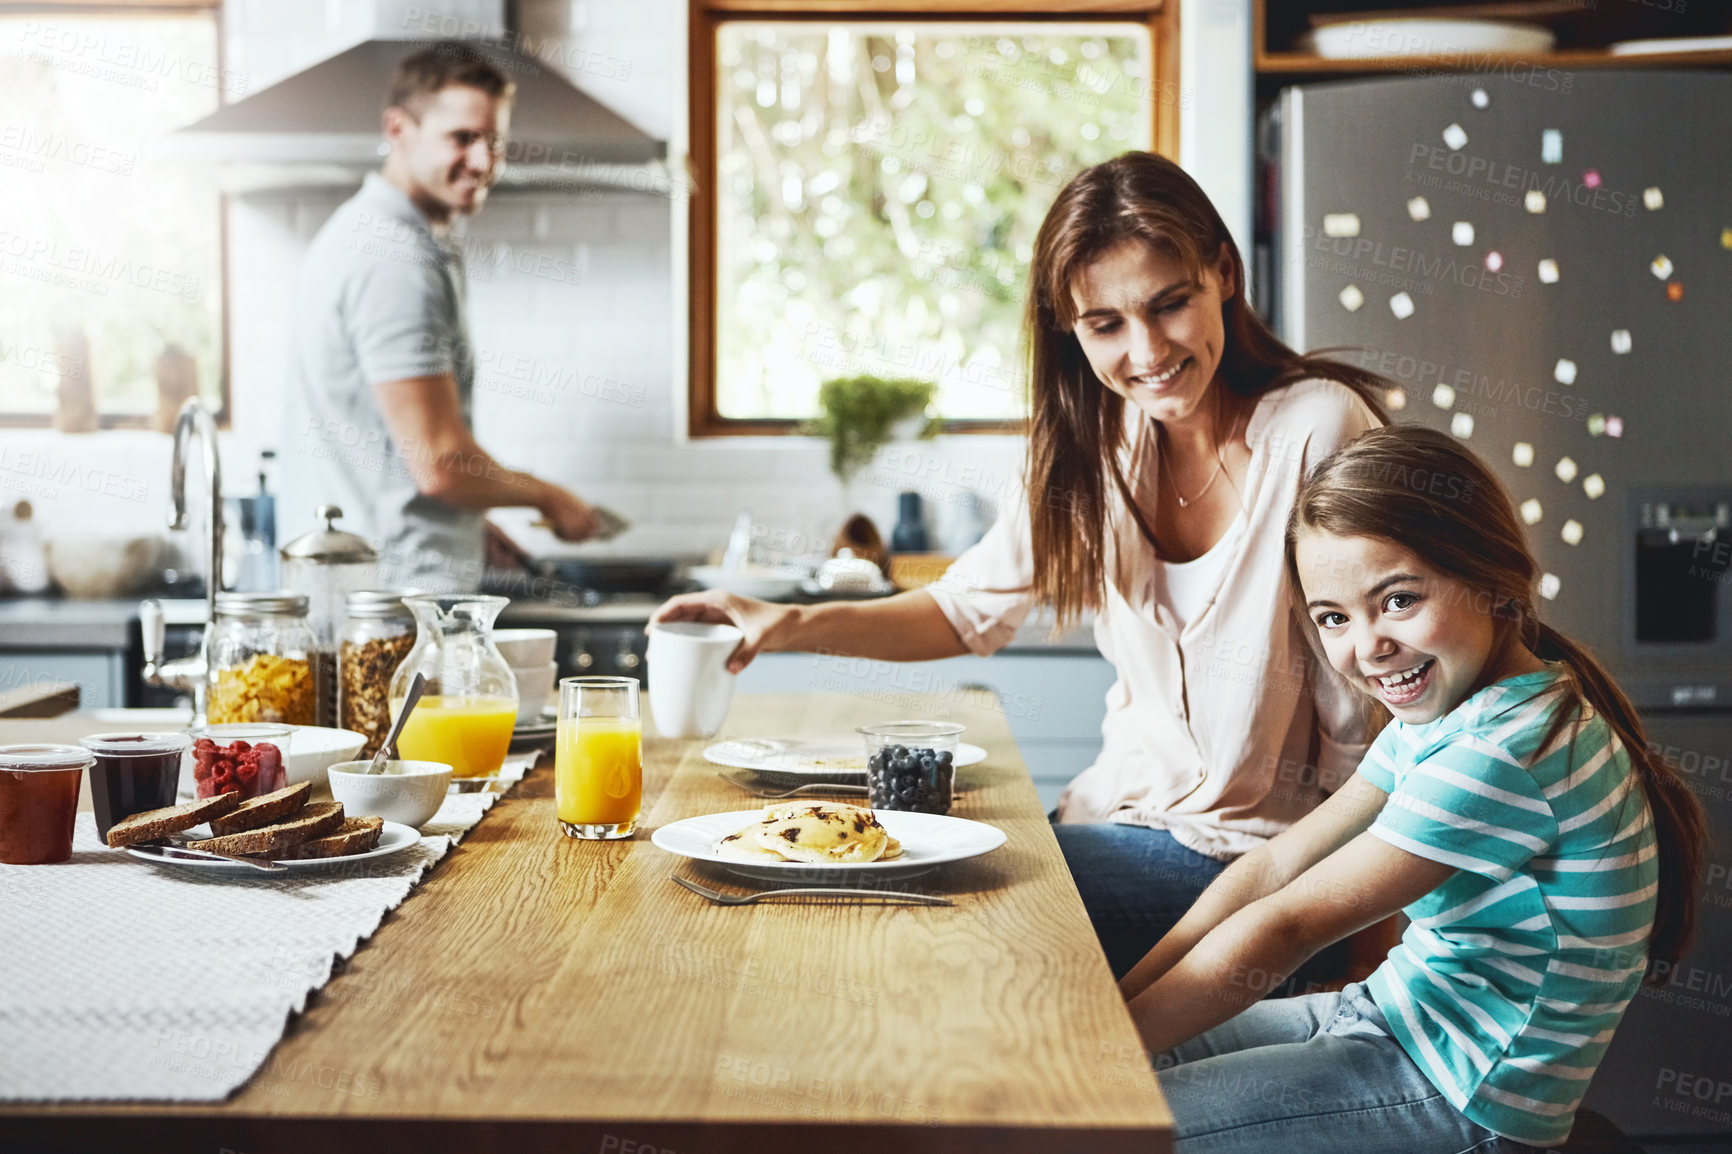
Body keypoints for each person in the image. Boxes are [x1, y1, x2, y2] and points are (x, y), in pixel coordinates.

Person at [652, 151, 1395, 975]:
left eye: (1169, 304)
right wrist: (788, 625)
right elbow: (965, 609)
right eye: (1105, 324)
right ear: (1068, 329)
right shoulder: (1094, 445)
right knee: (839, 866)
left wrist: (1363, 933)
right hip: (1110, 817)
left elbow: (1373, 703)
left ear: (1222, 272)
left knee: (926, 899)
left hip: (1255, 865)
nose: (1146, 349)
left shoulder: (1318, 431)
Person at [1123, 425, 1707, 1152]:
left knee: (1113, 1125)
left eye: (1397, 600)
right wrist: (1111, 1015)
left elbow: (1289, 926)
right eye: (1334, 617)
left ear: (1491, 579)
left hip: (1465, 1090)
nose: (1367, 646)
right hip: (1395, 1016)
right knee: (1123, 1066)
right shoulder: (1448, 715)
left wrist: (1092, 1055)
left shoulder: (1503, 752)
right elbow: (1274, 866)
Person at [282, 42, 599, 591]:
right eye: (463, 138)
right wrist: (551, 497)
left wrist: (468, 523)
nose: (484, 162)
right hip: (400, 607)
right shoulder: (394, 261)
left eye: (494, 140)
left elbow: (399, 458)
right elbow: (441, 466)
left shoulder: (376, 237)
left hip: (379, 588)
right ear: (398, 129)